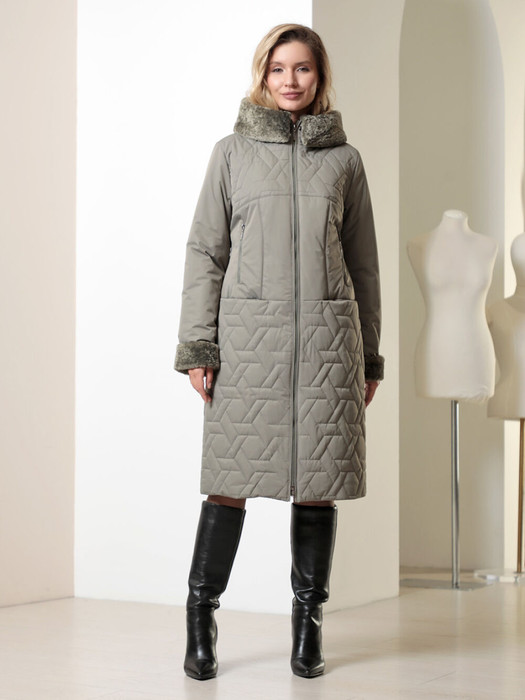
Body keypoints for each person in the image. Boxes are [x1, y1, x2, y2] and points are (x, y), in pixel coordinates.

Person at [174, 23, 384, 680]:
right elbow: (205, 253)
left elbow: (363, 264)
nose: (290, 80)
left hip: (326, 347)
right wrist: (199, 345)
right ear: (262, 74)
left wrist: (368, 356)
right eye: (278, 69)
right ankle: (201, 618)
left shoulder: (344, 161)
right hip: (247, 348)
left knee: (316, 489)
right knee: (228, 485)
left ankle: (308, 627)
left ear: (319, 77)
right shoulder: (231, 153)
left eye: (303, 69)